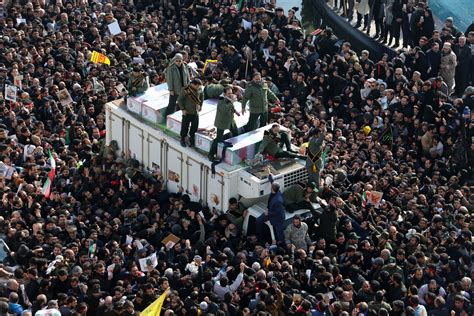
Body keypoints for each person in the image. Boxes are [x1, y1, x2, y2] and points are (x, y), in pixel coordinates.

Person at [208, 86, 240, 161]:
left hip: (230, 120)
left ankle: (234, 151)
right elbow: (225, 108)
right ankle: (211, 153)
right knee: (218, 138)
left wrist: (236, 112)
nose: (230, 94)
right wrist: (231, 101)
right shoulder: (221, 100)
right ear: (224, 93)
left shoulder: (229, 99)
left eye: (231, 93)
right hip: (222, 122)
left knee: (236, 133)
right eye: (228, 93)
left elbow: (231, 107)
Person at [256, 180, 286, 246]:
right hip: (270, 211)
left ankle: (284, 247)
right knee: (258, 220)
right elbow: (272, 181)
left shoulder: (278, 200)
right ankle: (259, 237)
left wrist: (268, 213)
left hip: (277, 219)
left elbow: (278, 212)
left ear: (272, 189)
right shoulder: (276, 190)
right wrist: (269, 175)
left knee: (280, 237)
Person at [177, 79, 203, 147]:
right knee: (185, 127)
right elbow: (179, 100)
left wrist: (201, 105)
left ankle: (191, 140)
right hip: (187, 112)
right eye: (197, 86)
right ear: (194, 84)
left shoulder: (199, 89)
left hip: (195, 112)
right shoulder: (185, 89)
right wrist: (183, 109)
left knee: (194, 127)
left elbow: (202, 96)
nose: (198, 88)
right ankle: (182, 139)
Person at [165, 53, 191, 120]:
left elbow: (187, 77)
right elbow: (169, 79)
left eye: (180, 61)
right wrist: (171, 89)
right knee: (172, 104)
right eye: (177, 61)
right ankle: (167, 117)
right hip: (175, 89)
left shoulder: (185, 66)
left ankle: (179, 118)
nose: (178, 62)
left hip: (184, 89)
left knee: (182, 104)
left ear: (182, 60)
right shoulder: (171, 68)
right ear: (175, 60)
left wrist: (188, 86)